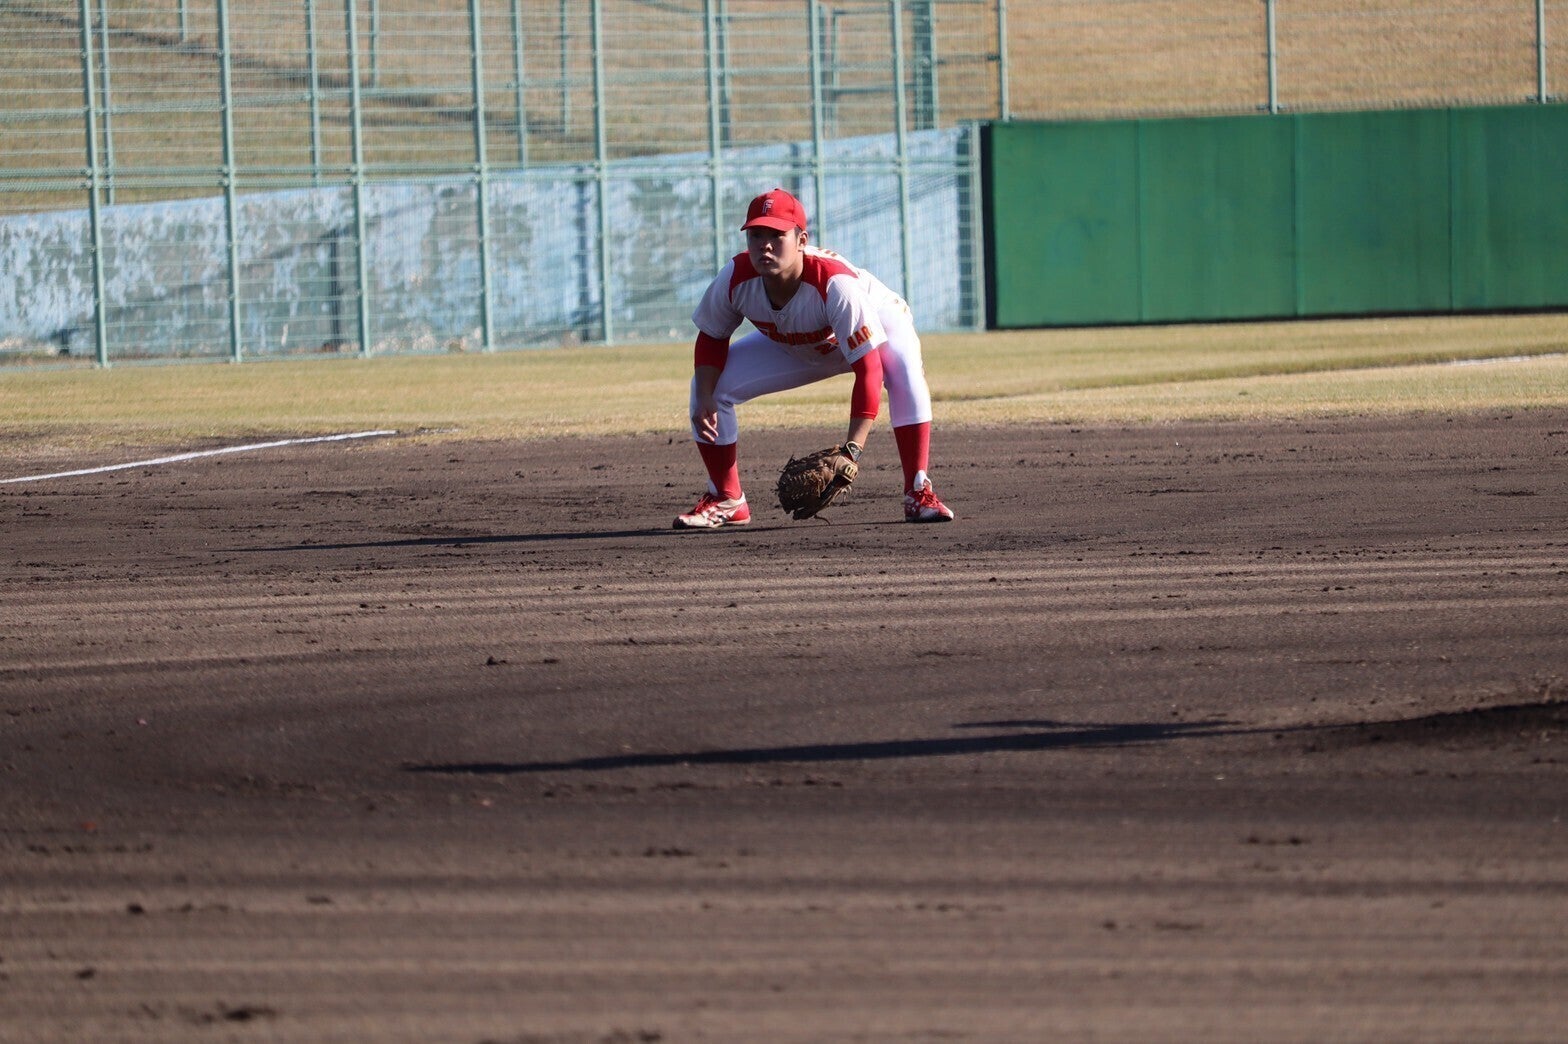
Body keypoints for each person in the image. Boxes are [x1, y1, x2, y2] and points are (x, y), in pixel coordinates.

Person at [674, 187, 955, 529]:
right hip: (795, 343)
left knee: (903, 368)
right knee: (708, 386)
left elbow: (869, 370)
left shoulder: (835, 284)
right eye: (756, 234)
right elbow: (712, 337)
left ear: (801, 240)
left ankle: (918, 491)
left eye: (777, 235)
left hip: (875, 325)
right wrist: (705, 396)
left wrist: (852, 450)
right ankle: (727, 499)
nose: (765, 245)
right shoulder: (736, 277)